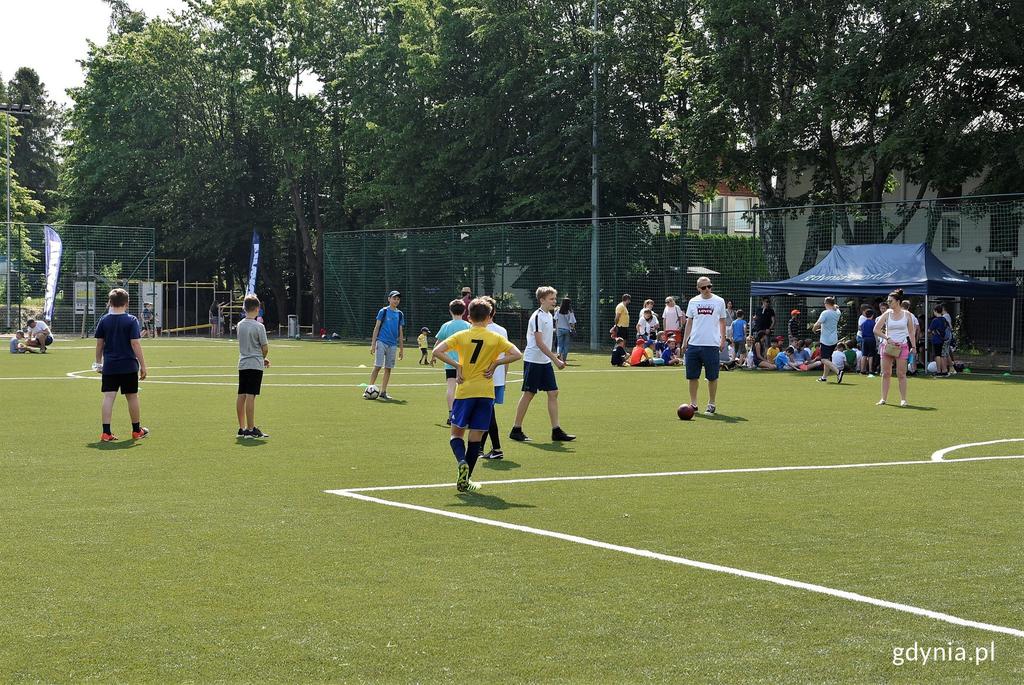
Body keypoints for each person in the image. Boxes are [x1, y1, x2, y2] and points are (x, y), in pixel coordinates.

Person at [433, 298, 523, 492]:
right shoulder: (495, 338)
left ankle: (461, 461)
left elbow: (437, 350)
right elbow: (517, 354)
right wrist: (495, 364)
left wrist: (457, 365)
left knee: (456, 435)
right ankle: (466, 479)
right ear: (489, 316)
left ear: (469, 316)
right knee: (475, 438)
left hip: (465, 391)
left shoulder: (462, 335)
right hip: (485, 392)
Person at [510, 286, 575, 442]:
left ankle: (556, 430)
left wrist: (553, 356)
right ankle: (516, 429)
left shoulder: (549, 315)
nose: (554, 301)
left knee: (553, 392)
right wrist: (556, 359)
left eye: (554, 298)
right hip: (534, 360)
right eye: (551, 299)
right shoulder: (537, 316)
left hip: (544, 361)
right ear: (542, 300)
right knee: (529, 394)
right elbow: (539, 343)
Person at [94, 288, 148, 442]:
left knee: (109, 397)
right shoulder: (131, 320)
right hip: (128, 365)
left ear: (110, 302)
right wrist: (143, 365)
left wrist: (98, 363)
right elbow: (135, 344)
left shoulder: (104, 320)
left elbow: (99, 344)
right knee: (132, 397)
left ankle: (106, 432)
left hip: (110, 365)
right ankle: (137, 430)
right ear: (127, 303)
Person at [681, 276, 727, 414]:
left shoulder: (719, 301)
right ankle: (693, 404)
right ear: (698, 288)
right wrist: (685, 341)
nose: (707, 289)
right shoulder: (693, 301)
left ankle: (711, 403)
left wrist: (722, 340)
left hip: (711, 345)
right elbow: (689, 322)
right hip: (694, 344)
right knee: (692, 376)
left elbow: (722, 321)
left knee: (712, 376)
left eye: (709, 286)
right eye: (703, 287)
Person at [873, 288, 916, 407]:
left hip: (902, 346)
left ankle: (903, 399)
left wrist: (914, 347)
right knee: (885, 373)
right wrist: (887, 338)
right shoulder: (887, 313)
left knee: (901, 374)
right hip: (888, 346)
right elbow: (876, 330)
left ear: (898, 301)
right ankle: (883, 398)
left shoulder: (907, 315)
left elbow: (911, 332)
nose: (888, 303)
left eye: (890, 301)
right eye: (888, 301)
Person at [480, 297, 511, 460]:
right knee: (487, 413)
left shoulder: (478, 331)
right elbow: (507, 356)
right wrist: (504, 378)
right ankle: (480, 448)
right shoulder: (502, 330)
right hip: (498, 378)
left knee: (488, 414)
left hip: (483, 379)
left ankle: (497, 448)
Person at [236, 294, 271, 439]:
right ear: (257, 309)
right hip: (255, 364)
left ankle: (242, 427)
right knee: (251, 396)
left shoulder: (240, 324)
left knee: (241, 395)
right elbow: (265, 347)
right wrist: (263, 358)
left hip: (243, 363)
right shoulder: (259, 326)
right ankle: (251, 429)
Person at [436, 300, 471, 423]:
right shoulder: (468, 326)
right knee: (463, 389)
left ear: (450, 311)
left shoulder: (446, 326)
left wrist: (433, 357)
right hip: (464, 364)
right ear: (464, 311)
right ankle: (463, 414)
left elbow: (438, 343)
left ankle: (451, 414)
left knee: (450, 388)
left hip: (449, 362)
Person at [367, 290, 405, 401]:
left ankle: (383, 392)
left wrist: (401, 349)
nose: (396, 301)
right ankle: (369, 389)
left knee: (388, 369)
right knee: (377, 366)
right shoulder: (383, 311)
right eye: (394, 298)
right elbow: (377, 327)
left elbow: (400, 332)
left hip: (393, 345)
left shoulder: (400, 314)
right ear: (389, 299)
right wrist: (373, 344)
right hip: (381, 342)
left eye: (398, 299)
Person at [812, 297, 841, 362]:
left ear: (827, 303)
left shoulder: (825, 313)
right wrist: (835, 306)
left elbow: (817, 324)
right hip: (834, 340)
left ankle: (838, 372)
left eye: (824, 303)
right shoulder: (838, 313)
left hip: (825, 340)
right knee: (828, 358)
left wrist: (814, 330)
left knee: (824, 359)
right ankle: (825, 373)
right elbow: (837, 308)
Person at [927, 305, 951, 376]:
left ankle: (938, 371)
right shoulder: (944, 319)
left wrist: (932, 332)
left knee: (937, 355)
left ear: (935, 311)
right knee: (943, 355)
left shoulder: (935, 320)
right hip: (944, 340)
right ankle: (944, 370)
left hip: (937, 340)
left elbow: (929, 330)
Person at [554, 297, 576, 363]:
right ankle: (564, 360)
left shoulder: (558, 311)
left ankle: (558, 354)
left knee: (559, 344)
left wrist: (556, 328)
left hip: (559, 329)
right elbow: (572, 322)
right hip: (567, 330)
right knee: (566, 345)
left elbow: (556, 320)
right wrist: (573, 328)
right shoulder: (570, 312)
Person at [859, 309, 876, 375]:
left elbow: (860, 329)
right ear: (872, 315)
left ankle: (862, 369)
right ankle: (870, 370)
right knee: (871, 355)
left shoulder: (863, 323)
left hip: (864, 339)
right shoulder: (873, 323)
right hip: (871, 338)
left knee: (864, 354)